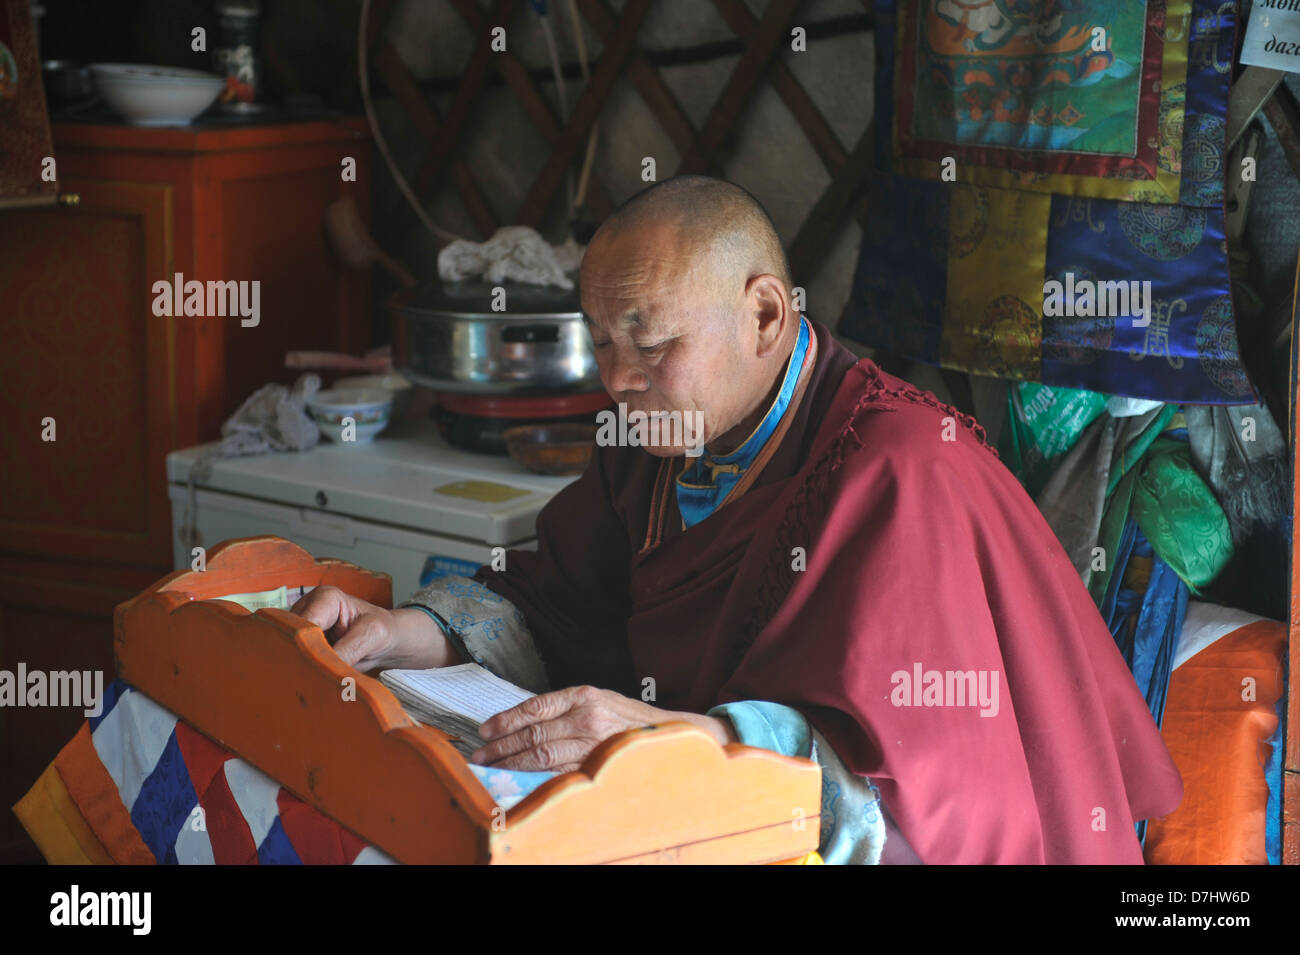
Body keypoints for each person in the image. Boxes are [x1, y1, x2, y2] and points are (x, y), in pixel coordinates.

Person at [292, 174, 1183, 864]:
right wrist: (408, 631)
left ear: (764, 313)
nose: (618, 377)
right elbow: (564, 599)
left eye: (651, 343)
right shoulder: (658, 437)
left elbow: (911, 789)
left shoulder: (905, 471)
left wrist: (685, 737)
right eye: (601, 339)